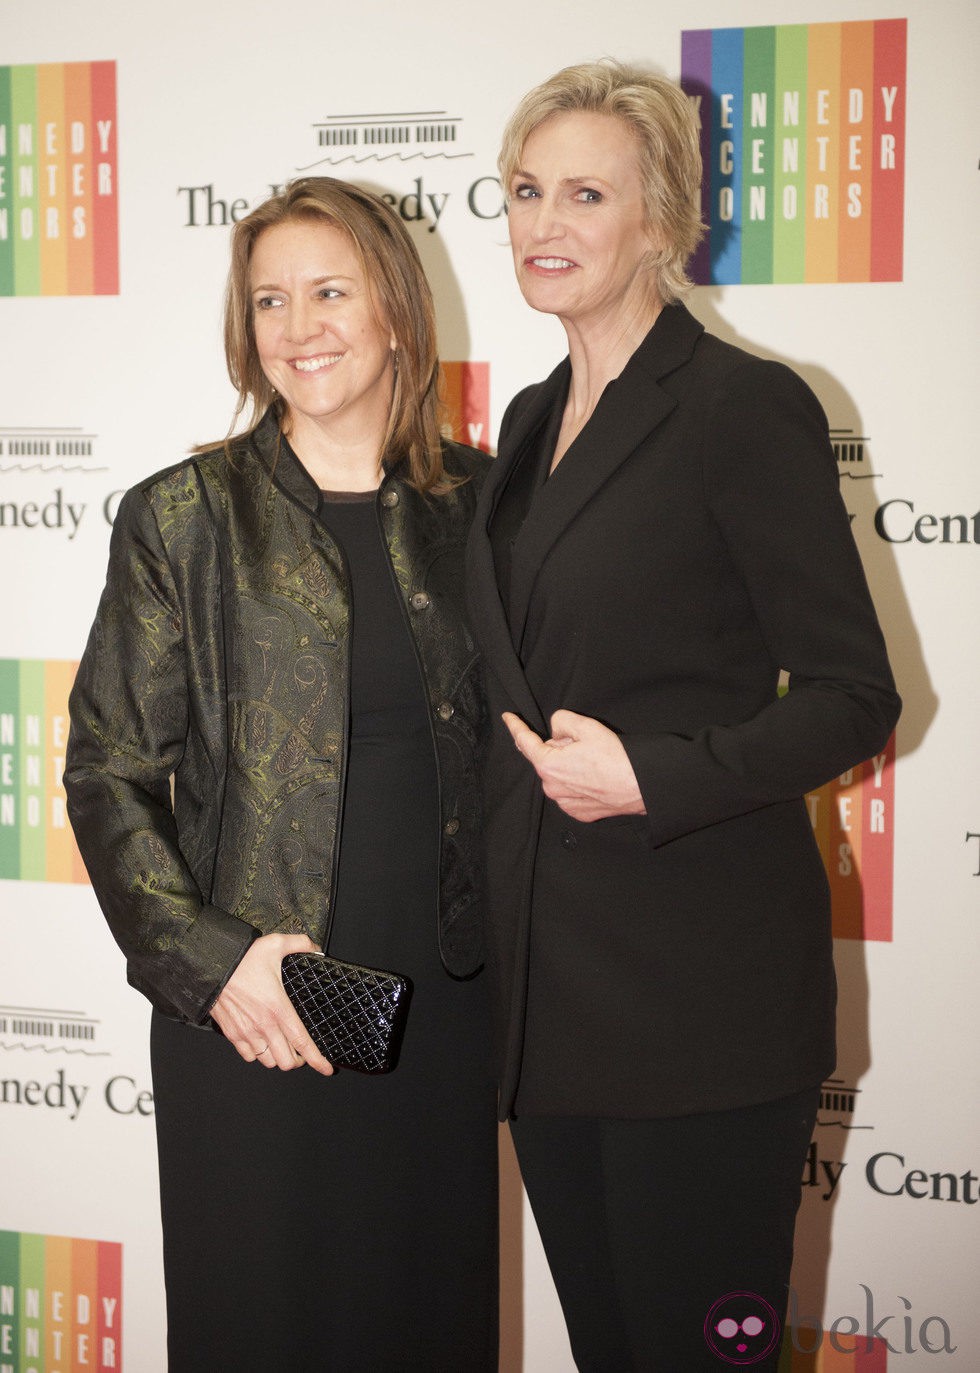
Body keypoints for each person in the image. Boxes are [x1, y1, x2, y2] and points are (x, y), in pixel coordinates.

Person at [465, 61, 901, 1372]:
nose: (544, 222)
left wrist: (658, 775)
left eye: (584, 193)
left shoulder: (744, 407)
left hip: (701, 1018)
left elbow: (852, 696)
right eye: (526, 189)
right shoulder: (533, 419)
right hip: (554, 1016)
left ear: (661, 217)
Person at [66, 177, 498, 1372]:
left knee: (428, 1317)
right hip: (258, 998)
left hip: (445, 1002)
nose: (298, 324)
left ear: (396, 311)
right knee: (261, 1322)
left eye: (327, 290)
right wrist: (215, 963)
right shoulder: (184, 516)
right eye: (268, 299)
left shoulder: (482, 508)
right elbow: (107, 771)